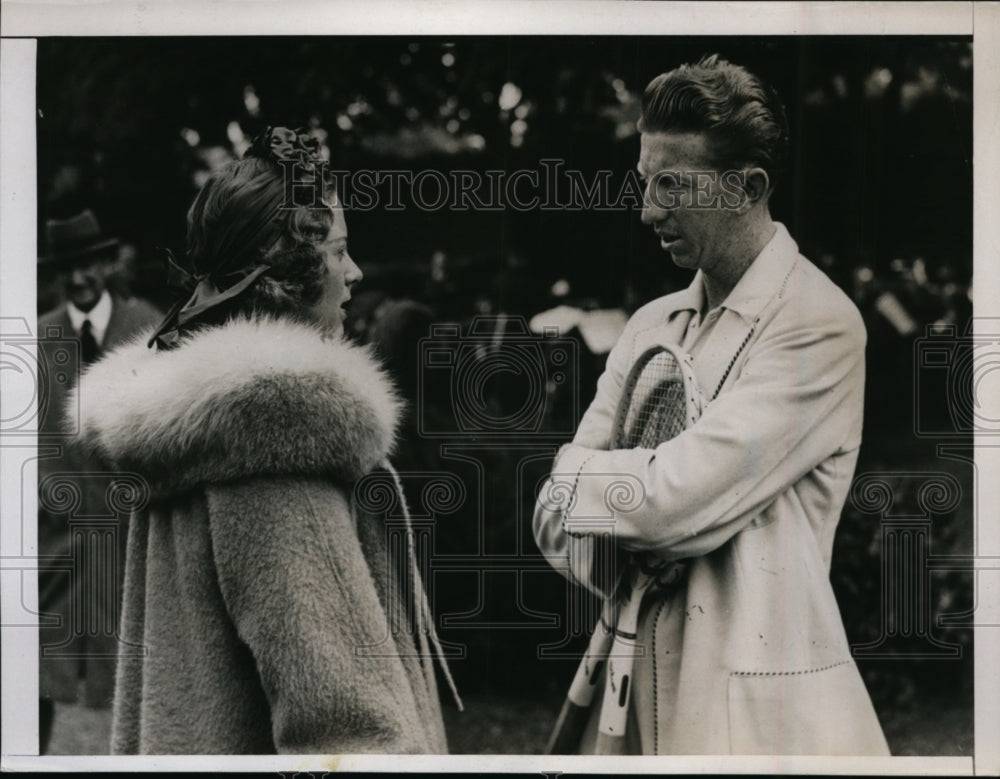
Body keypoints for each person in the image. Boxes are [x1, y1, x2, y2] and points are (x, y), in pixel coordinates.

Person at [533, 55, 890, 755]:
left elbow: (670, 502)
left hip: (763, 721)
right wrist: (627, 527)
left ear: (746, 188)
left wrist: (581, 477)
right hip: (631, 701)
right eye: (646, 182)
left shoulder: (819, 322)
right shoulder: (649, 324)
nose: (648, 210)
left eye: (672, 184)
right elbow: (553, 525)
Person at [69, 127, 457, 754]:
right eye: (337, 252)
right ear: (283, 279)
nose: (354, 273)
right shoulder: (279, 453)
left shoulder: (187, 435)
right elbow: (346, 732)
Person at [36, 209, 162, 753]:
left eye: (88, 263)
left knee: (138, 668)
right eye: (68, 267)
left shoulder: (147, 329)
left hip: (128, 528)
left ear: (107, 263)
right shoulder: (37, 338)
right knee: (37, 662)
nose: (79, 276)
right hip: (55, 529)